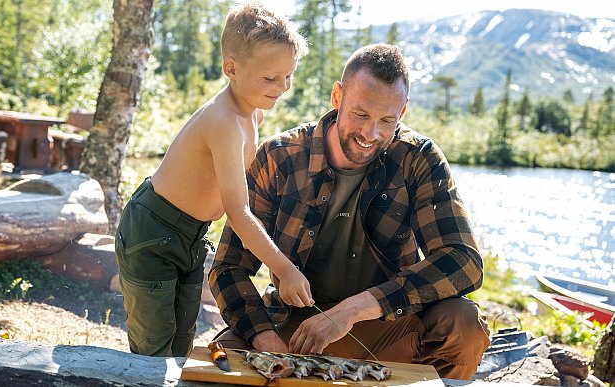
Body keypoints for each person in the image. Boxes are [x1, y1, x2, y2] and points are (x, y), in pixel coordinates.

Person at [209, 43, 490, 379]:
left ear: (402, 113)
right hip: (295, 328)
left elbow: (464, 262)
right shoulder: (279, 158)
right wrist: (265, 337)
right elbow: (228, 267)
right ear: (338, 97)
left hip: (386, 325)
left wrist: (355, 309)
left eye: (386, 120)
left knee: (464, 325)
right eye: (361, 114)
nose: (371, 134)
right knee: (223, 360)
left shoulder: (418, 159)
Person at [114, 2, 312, 357]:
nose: (282, 87)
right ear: (231, 68)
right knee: (153, 349)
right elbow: (239, 213)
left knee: (181, 343)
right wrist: (282, 267)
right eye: (270, 78)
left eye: (288, 75)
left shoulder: (252, 116)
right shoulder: (222, 122)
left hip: (190, 234)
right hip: (152, 231)